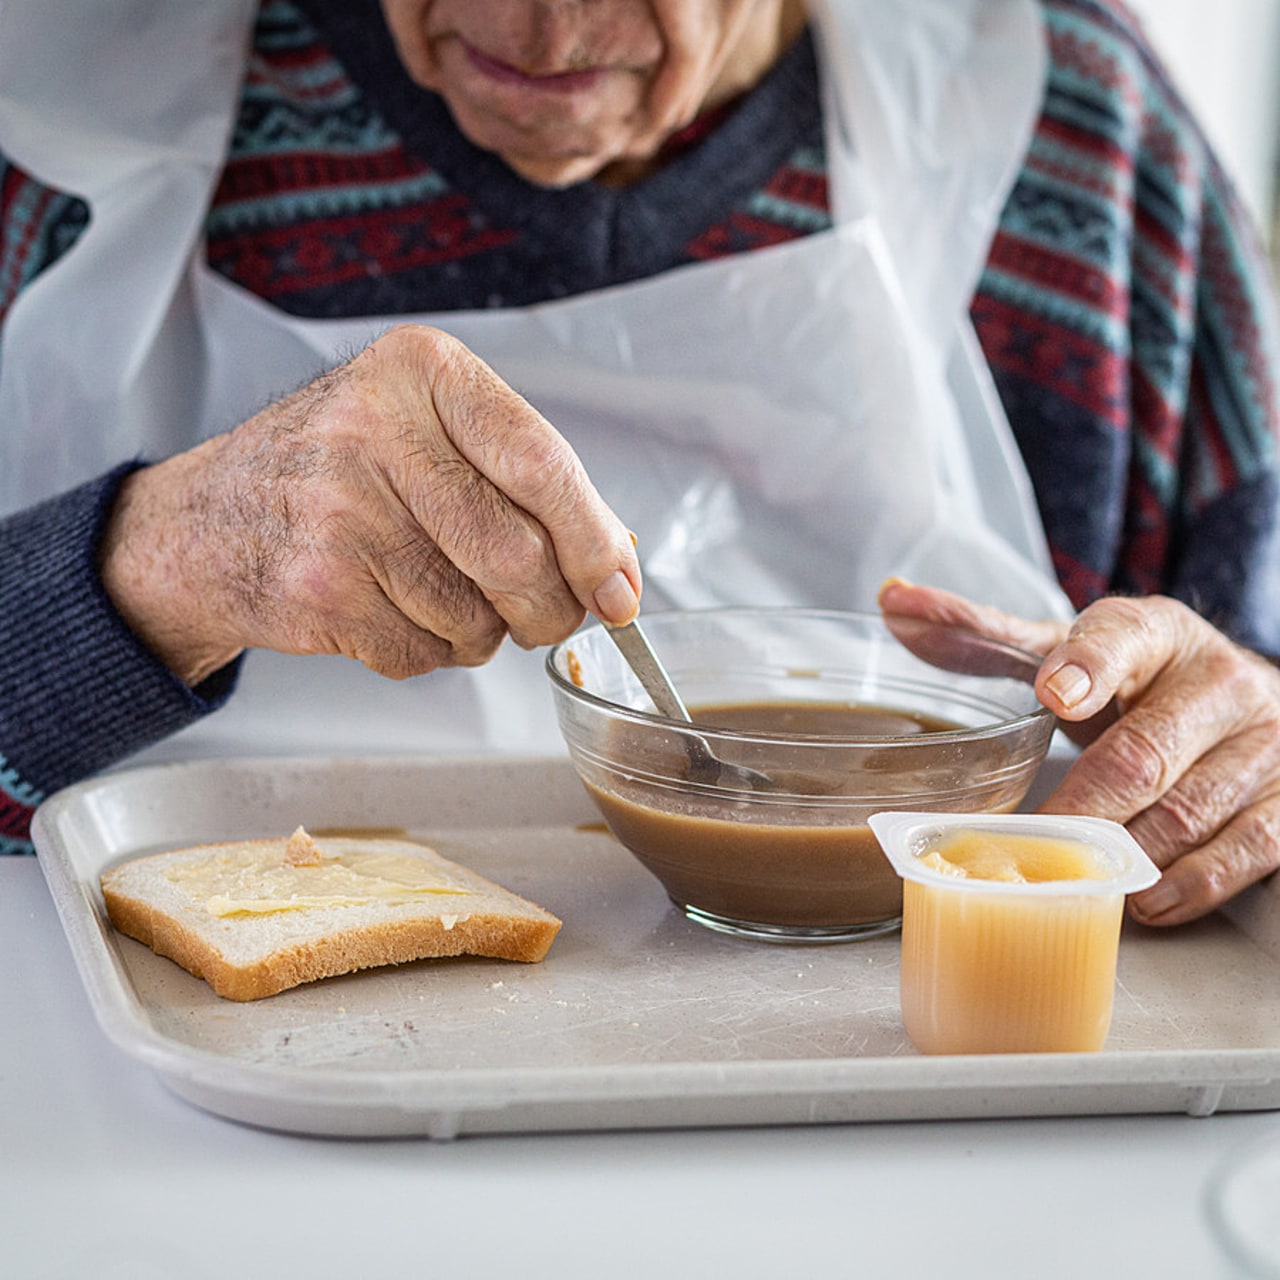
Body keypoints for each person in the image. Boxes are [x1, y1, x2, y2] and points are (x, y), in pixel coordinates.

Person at [1, 0, 1278, 931]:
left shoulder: (1076, 133)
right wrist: (159, 560)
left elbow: (1256, 696)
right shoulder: (52, 112)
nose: (543, 35)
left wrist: (1233, 742)